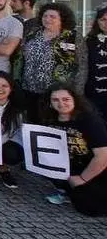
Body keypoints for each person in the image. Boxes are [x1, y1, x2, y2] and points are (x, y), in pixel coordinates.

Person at [41, 85, 107, 216]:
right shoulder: (49, 119)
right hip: (72, 166)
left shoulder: (89, 120)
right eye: (55, 100)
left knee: (89, 208)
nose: (61, 104)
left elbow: (103, 156)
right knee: (82, 202)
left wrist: (83, 179)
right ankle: (65, 189)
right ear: (50, 102)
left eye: (66, 99)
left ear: (74, 99)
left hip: (97, 168)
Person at [17, 2, 79, 124]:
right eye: (45, 16)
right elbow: (20, 59)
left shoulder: (71, 37)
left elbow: (80, 66)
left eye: (52, 17)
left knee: (51, 123)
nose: (47, 19)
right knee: (31, 123)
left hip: (55, 94)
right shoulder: (32, 34)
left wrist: (75, 91)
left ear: (62, 19)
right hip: (29, 89)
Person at [79, 4, 107, 119]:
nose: (106, 23)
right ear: (97, 22)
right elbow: (82, 67)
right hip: (93, 94)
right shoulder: (88, 41)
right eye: (103, 19)